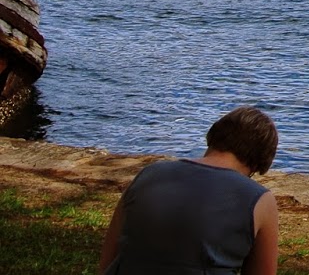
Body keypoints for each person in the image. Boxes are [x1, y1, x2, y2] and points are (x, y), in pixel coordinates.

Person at [99, 106, 280, 275]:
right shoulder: (259, 199)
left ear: (214, 136)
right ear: (258, 163)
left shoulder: (148, 174)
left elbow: (108, 260)